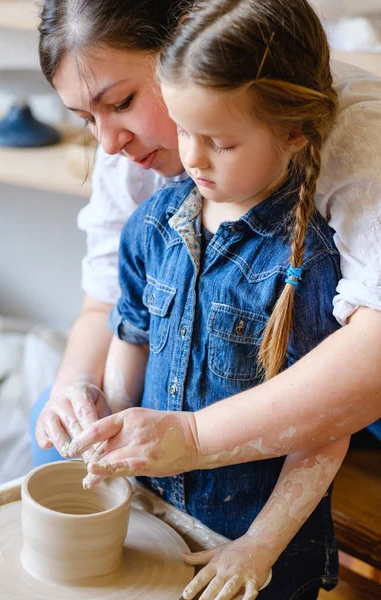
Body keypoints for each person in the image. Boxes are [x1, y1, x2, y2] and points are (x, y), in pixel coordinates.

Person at [65, 1, 352, 598]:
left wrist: (260, 546)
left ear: (292, 130)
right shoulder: (152, 225)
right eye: (183, 129)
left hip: (254, 547)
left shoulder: (307, 261)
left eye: (218, 142)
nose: (190, 158)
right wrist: (110, 434)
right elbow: (130, 338)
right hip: (156, 515)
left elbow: (325, 426)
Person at [31, 1, 381, 471]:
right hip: (235, 371)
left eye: (122, 103)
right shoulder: (127, 146)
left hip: (354, 384)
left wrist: (195, 438)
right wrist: (74, 391)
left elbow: (371, 359)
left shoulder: (354, 131)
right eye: (86, 119)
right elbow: (107, 303)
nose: (109, 144)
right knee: (53, 432)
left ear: (186, 45)